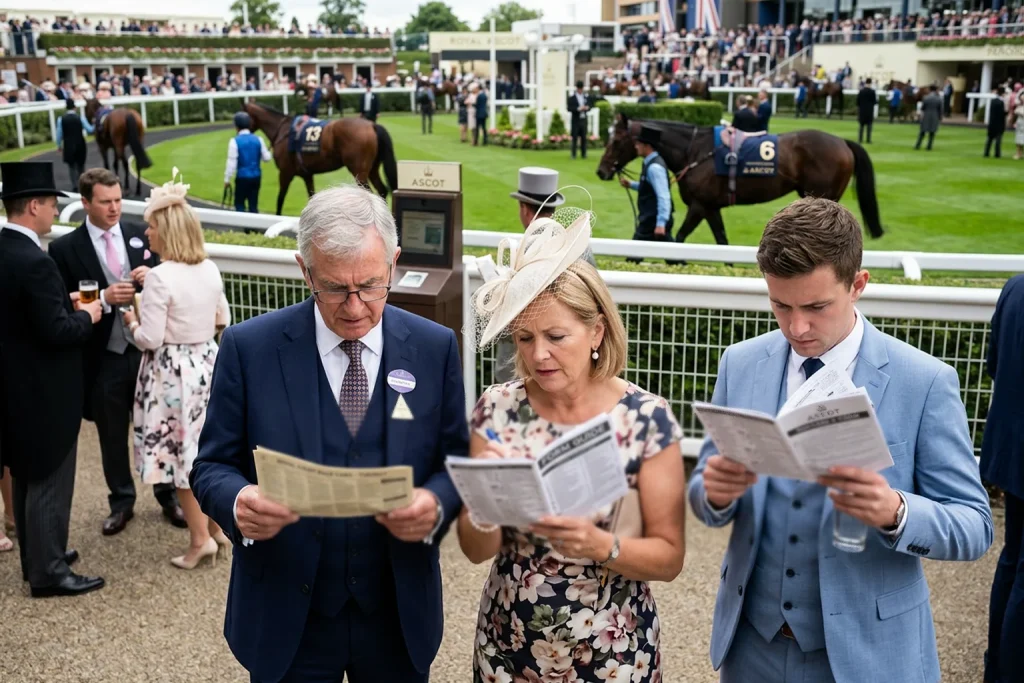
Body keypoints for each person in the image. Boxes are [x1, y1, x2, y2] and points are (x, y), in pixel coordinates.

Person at [688, 197, 993, 683]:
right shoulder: (740, 363)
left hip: (868, 656)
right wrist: (714, 494)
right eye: (780, 305)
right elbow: (704, 496)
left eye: (816, 307)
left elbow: (975, 526)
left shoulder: (925, 381)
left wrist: (897, 511)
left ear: (858, 285)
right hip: (750, 648)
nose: (796, 327)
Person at [190, 184, 468, 682]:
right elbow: (211, 465)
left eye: (372, 285)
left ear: (393, 263)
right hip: (286, 616)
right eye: (335, 288)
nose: (355, 306)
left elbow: (455, 462)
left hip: (397, 614)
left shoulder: (435, 347)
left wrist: (436, 503)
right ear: (305, 271)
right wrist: (238, 501)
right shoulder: (248, 348)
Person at [462, 214, 687, 683]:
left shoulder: (647, 417)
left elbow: (669, 559)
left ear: (597, 332)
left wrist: (600, 545)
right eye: (525, 338)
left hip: (613, 653)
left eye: (556, 337)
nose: (538, 354)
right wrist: (486, 506)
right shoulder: (497, 407)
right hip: (508, 645)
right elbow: (475, 549)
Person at [49, 168, 183, 535]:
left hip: (147, 352)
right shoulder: (64, 249)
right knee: (111, 435)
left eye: (118, 200)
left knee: (158, 425)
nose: (114, 208)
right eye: (105, 202)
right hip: (102, 356)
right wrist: (105, 298)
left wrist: (149, 278)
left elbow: (169, 279)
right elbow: (59, 303)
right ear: (85, 203)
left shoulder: (143, 233)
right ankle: (121, 501)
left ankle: (168, 495)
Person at [0, 162, 105, 597]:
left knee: (27, 474)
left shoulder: (5, 250)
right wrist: (88, 314)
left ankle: (40, 555)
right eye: (50, 204)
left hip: (14, 387)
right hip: (44, 393)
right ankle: (48, 572)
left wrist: (67, 307)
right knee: (49, 478)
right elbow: (58, 331)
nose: (55, 212)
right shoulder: (36, 262)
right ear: (34, 206)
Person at [120, 172, 231, 569]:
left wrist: (130, 321)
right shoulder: (209, 269)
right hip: (207, 364)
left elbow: (149, 338)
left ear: (166, 230)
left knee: (182, 458)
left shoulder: (160, 277)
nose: (147, 232)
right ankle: (217, 529)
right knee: (207, 449)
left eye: (152, 226)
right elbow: (222, 318)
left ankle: (200, 541)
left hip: (172, 376)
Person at [980, 274, 1024, 683]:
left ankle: (996, 668)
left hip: (1011, 450)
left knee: (1012, 559)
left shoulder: (1015, 287)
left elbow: (994, 365)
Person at [620, 126, 674, 263]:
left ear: (647, 146)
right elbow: (649, 188)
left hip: (652, 220)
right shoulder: (650, 163)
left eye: (638, 144)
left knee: (633, 257)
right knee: (672, 256)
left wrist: (661, 223)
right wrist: (631, 184)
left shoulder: (654, 168)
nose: (636, 146)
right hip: (651, 219)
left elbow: (663, 196)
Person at [224, 112, 271, 214]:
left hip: (242, 178)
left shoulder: (234, 141)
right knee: (253, 205)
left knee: (240, 205)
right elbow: (267, 158)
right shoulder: (258, 139)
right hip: (256, 177)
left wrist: (227, 179)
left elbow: (231, 163)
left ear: (237, 126)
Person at [55, 98, 94, 190]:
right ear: (74, 107)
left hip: (68, 145)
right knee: (81, 165)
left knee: (71, 166)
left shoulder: (61, 119)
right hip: (80, 144)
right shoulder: (80, 118)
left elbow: (59, 135)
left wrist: (59, 146)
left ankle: (75, 185)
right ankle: (83, 184)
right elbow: (90, 130)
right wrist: (94, 123)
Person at [567, 80, 593, 160]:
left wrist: (587, 108)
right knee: (574, 137)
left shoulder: (585, 97)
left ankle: (583, 154)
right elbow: (569, 108)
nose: (580, 90)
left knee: (584, 137)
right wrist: (578, 109)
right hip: (576, 120)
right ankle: (573, 154)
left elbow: (590, 105)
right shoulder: (572, 98)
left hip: (583, 119)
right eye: (579, 89)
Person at [916, 84, 942, 150]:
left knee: (922, 132)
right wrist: (940, 117)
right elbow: (940, 109)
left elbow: (923, 108)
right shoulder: (939, 98)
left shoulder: (926, 97)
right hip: (935, 115)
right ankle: (929, 146)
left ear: (930, 90)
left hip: (926, 115)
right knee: (932, 133)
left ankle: (918, 145)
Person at [986, 87, 1007, 158]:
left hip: (992, 122)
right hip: (999, 123)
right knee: (998, 139)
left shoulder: (993, 101)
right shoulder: (1001, 102)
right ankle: (997, 153)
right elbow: (1001, 114)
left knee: (989, 139)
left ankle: (986, 152)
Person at [857, 77, 877, 144]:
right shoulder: (872, 92)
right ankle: (868, 140)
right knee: (869, 126)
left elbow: (858, 102)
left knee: (861, 126)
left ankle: (860, 139)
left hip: (862, 110)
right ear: (870, 83)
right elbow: (875, 102)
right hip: (869, 111)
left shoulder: (861, 91)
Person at [1014, 93, 1024, 160]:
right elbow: (1015, 112)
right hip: (1019, 124)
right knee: (1018, 140)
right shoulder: (1019, 106)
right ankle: (1018, 153)